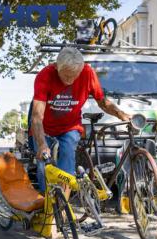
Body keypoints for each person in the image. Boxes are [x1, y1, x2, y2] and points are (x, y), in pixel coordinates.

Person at [31, 47, 130, 194]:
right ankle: (47, 204)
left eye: (74, 76)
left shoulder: (88, 73)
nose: (70, 81)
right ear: (57, 67)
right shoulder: (45, 75)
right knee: (44, 163)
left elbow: (102, 102)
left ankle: (63, 207)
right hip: (44, 127)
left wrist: (121, 114)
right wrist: (42, 144)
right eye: (66, 76)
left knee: (68, 154)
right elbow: (37, 116)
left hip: (69, 126)